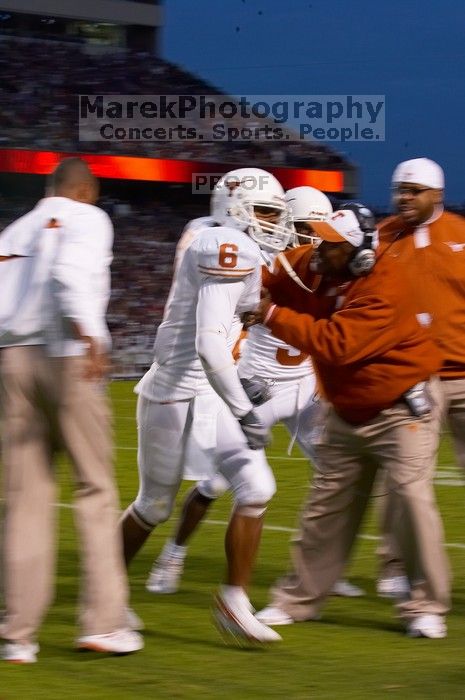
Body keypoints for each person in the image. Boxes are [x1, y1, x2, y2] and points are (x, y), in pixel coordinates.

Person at [145, 186, 364, 600]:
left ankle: (322, 570)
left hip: (306, 384)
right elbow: (224, 320)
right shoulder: (265, 266)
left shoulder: (330, 269)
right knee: (213, 484)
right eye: (303, 229)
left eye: (319, 234)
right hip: (259, 386)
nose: (312, 242)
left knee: (339, 475)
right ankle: (172, 554)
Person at [251, 204, 450, 639]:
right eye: (322, 239)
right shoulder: (316, 262)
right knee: (325, 508)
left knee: (410, 501)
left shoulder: (387, 285)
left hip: (400, 408)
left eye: (334, 246)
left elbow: (335, 344)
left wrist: (269, 314)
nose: (321, 250)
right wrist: (245, 281)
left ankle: (425, 606)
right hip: (345, 408)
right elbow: (272, 275)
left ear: (360, 254)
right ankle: (298, 601)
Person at [120, 168, 294, 643]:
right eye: (265, 212)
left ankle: (234, 602)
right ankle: (106, 595)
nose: (274, 223)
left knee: (256, 487)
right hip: (176, 389)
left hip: (212, 390)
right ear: (234, 209)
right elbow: (209, 346)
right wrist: (244, 409)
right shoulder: (222, 245)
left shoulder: (233, 246)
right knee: (154, 506)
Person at [0, 158, 143, 663]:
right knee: (95, 489)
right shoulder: (87, 217)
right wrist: (89, 330)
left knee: (25, 498)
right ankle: (103, 623)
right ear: (86, 190)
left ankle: (18, 634)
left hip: (12, 361)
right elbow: (66, 273)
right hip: (64, 355)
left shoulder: (14, 229)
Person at [376, 157, 465, 597]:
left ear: (437, 194)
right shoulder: (383, 236)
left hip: (464, 375)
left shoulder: (462, 236)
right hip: (412, 378)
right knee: (405, 477)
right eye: (399, 190)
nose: (403, 198)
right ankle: (393, 563)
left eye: (413, 191)